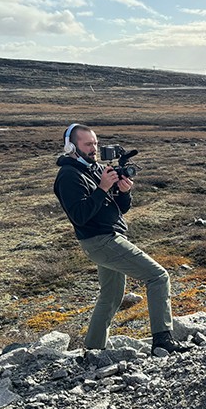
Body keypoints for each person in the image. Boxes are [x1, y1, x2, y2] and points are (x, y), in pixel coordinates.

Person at [53, 123, 188, 355]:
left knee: (111, 295)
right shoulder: (68, 176)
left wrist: (124, 192)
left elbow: (118, 209)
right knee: (158, 277)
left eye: (95, 143)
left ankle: (93, 349)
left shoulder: (95, 169)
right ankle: (162, 340)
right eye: (87, 144)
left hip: (109, 237)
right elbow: (80, 216)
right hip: (100, 240)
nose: (93, 148)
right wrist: (103, 188)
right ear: (70, 146)